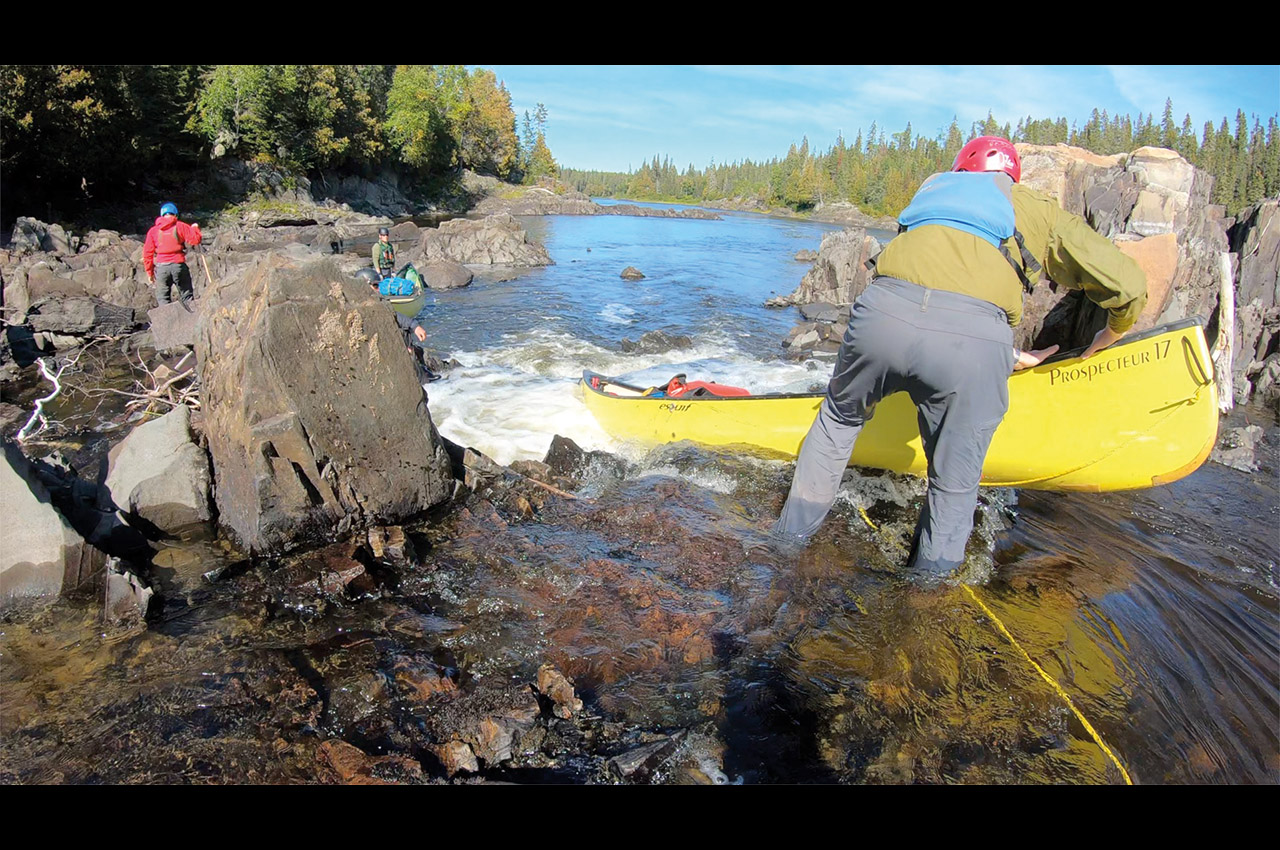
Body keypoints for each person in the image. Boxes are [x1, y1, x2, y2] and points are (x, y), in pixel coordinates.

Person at [774, 136, 1147, 583]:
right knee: (954, 481)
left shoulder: (933, 193)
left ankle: (785, 548)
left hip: (880, 318)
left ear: (961, 170)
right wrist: (1112, 331)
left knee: (839, 420)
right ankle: (927, 592)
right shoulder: (1035, 207)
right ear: (1011, 176)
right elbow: (1128, 285)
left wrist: (1003, 352)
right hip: (972, 343)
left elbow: (928, 295)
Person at [143, 202, 203, 305]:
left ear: (162, 215)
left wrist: (150, 273)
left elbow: (147, 253)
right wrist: (195, 228)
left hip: (162, 268)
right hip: (178, 265)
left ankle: (166, 315)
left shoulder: (153, 231)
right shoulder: (180, 226)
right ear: (175, 215)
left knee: (163, 299)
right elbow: (196, 239)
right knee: (187, 296)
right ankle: (189, 314)